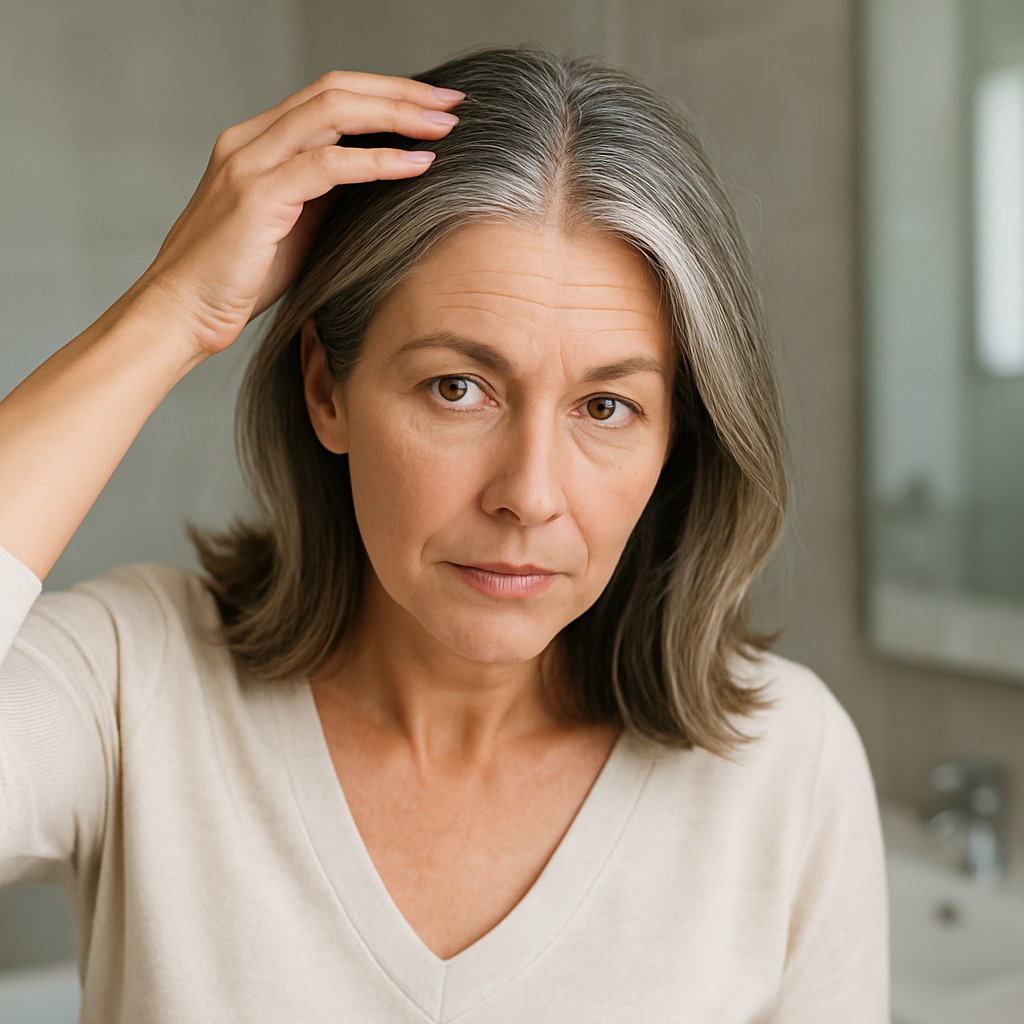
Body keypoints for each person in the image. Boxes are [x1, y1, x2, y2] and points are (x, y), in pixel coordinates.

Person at [0, 42, 888, 1023]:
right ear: (326, 389)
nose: (529, 494)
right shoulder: (136, 685)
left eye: (605, 406)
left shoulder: (784, 766)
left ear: (677, 433)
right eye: (456, 388)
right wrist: (171, 311)